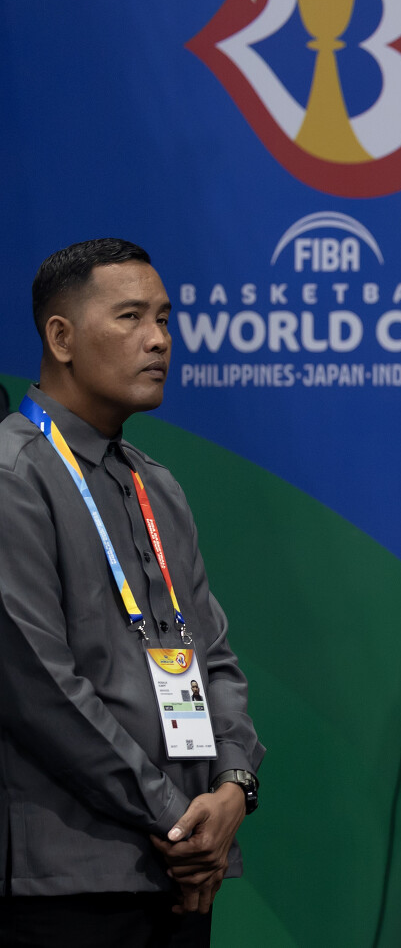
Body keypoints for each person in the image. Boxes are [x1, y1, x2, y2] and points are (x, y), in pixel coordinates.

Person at [0, 239, 263, 947]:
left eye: (165, 319)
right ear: (61, 338)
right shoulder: (13, 476)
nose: (159, 339)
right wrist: (179, 821)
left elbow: (215, 661)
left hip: (184, 875)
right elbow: (40, 692)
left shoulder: (157, 485)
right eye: (131, 317)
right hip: (72, 887)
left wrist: (234, 789)